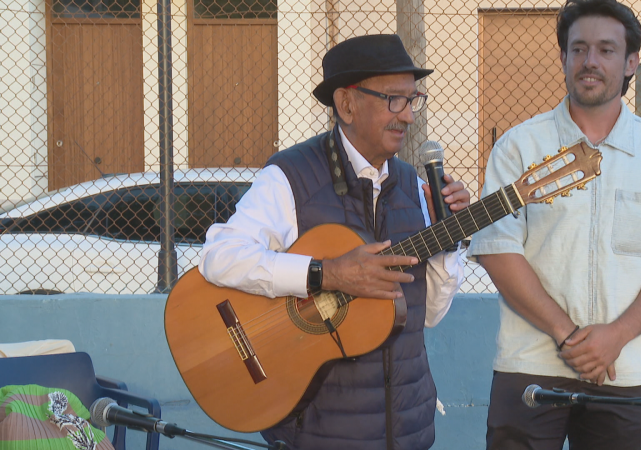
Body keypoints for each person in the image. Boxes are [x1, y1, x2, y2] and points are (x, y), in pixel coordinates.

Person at [198, 34, 470, 450]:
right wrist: (326, 274)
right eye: (393, 100)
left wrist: (451, 240)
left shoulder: (417, 188)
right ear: (346, 104)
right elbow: (220, 257)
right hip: (318, 432)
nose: (409, 116)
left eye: (413, 99)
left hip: (408, 429)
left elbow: (425, 315)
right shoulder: (290, 177)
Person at [466, 0, 641, 449]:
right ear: (562, 58)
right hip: (531, 364)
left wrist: (615, 336)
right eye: (578, 49)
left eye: (606, 50)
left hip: (624, 366)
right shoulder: (520, 146)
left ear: (631, 61)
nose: (590, 61)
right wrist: (568, 335)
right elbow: (498, 248)